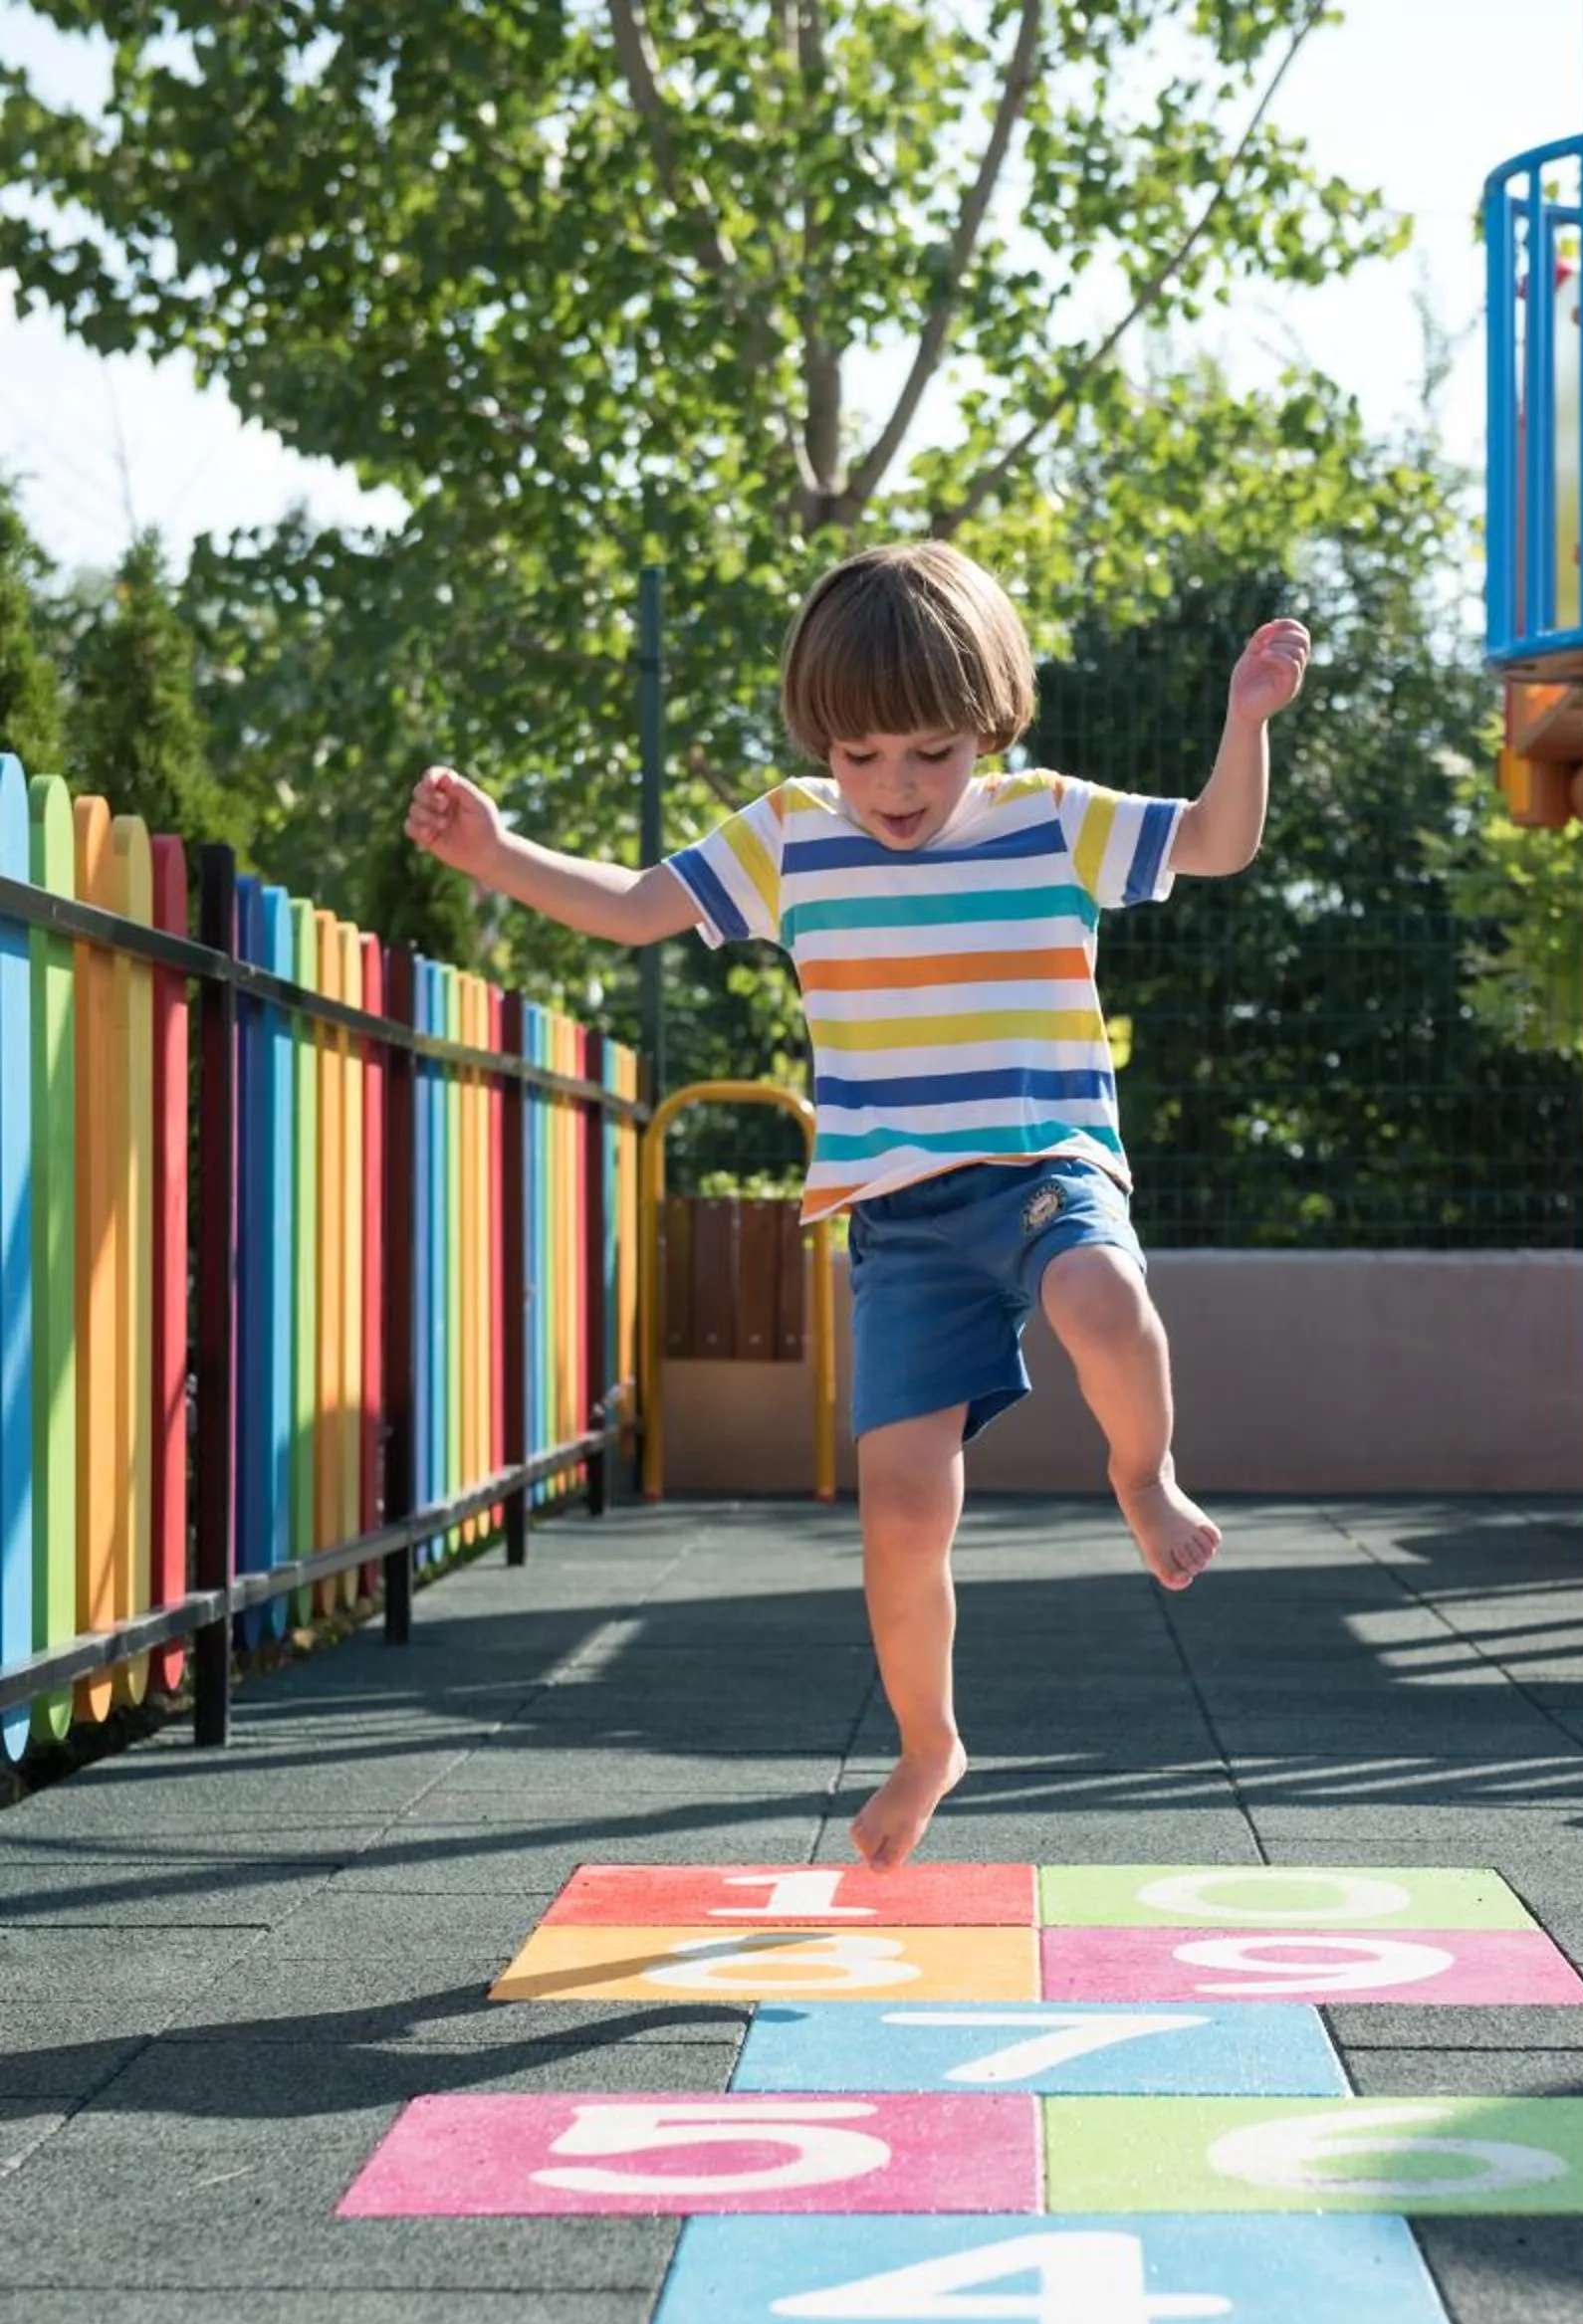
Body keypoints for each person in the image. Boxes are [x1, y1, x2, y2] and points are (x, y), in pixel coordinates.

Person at [405, 543, 1308, 1867]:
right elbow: (636, 908)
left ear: (990, 729)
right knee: (899, 1502)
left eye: (932, 755)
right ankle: (929, 1739)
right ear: (821, 740)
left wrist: (1243, 725)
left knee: (1101, 1292)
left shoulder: (1050, 816)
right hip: (901, 1219)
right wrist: (495, 853)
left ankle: (1141, 1472)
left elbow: (1219, 842)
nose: (894, 787)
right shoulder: (788, 837)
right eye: (862, 753)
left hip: (1044, 1166)